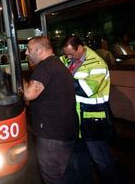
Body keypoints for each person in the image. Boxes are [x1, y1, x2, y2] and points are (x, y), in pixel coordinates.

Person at [60, 35, 119, 184]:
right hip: (76, 119)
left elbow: (85, 89)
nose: (68, 57)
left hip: (93, 119)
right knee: (81, 159)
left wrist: (61, 81)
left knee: (102, 160)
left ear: (80, 48)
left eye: (71, 53)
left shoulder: (97, 64)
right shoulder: (68, 60)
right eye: (66, 54)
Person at [23, 36, 78, 184]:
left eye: (29, 49)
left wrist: (17, 76)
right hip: (64, 131)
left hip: (52, 135)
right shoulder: (57, 64)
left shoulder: (45, 66)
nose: (26, 53)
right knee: (63, 174)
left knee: (52, 175)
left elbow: (29, 94)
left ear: (40, 50)